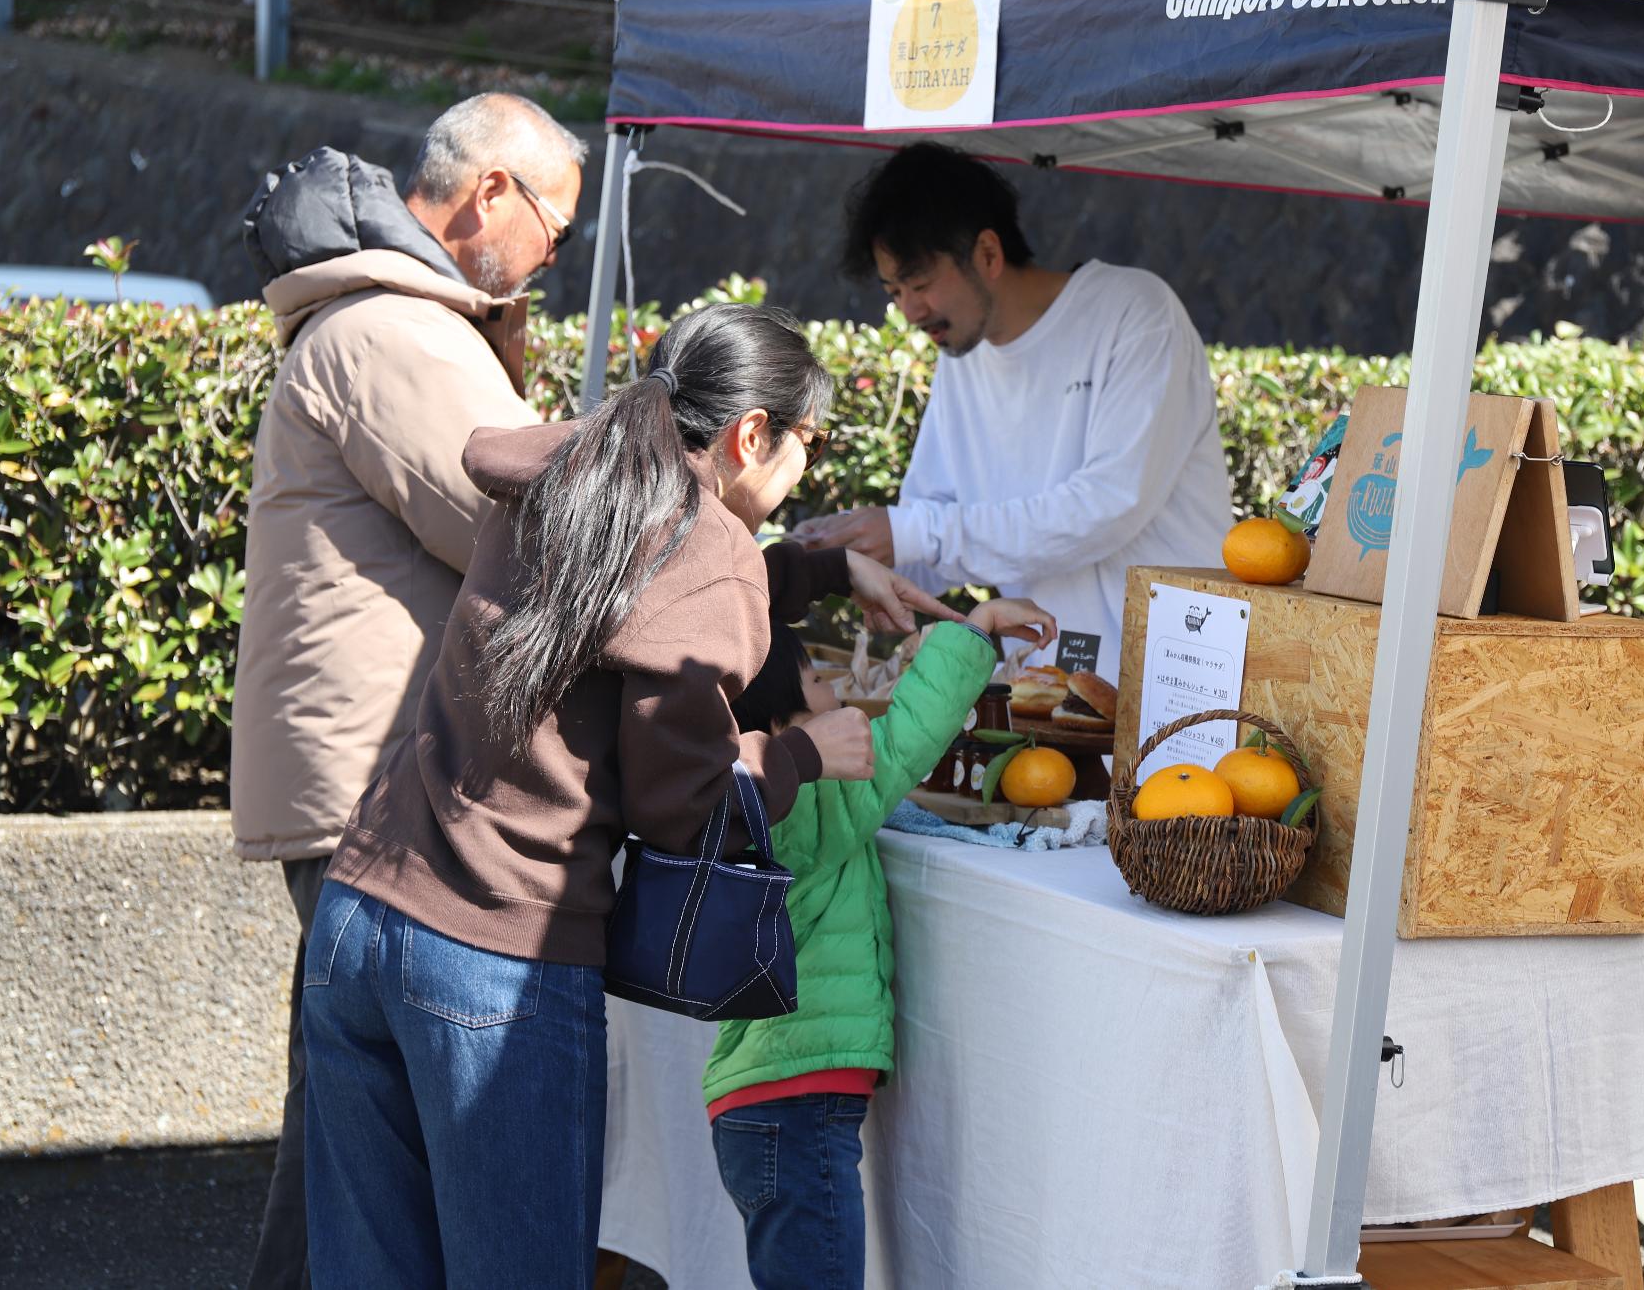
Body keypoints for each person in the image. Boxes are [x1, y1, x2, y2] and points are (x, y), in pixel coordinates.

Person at [300, 303, 958, 1288]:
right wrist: (802, 755)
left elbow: (628, 599)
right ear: (749, 434)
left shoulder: (569, 472)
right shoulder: (708, 548)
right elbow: (683, 805)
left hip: (361, 910)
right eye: (804, 447)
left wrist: (817, 567)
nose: (799, 478)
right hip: (495, 953)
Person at [231, 91, 585, 1290]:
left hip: (363, 779)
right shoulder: (395, 331)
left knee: (345, 1146)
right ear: (491, 192)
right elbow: (524, 531)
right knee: (368, 1159)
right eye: (557, 227)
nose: (554, 256)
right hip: (383, 790)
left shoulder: (394, 320)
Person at [703, 596, 1057, 1289]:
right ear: (780, 724)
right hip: (794, 1111)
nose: (837, 691)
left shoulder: (756, 803)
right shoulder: (804, 802)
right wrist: (972, 631)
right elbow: (902, 742)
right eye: (817, 684)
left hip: (770, 1108)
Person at [791, 142, 1235, 680]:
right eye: (894, 290)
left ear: (988, 254)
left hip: (1177, 673)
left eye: (922, 283)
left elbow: (1107, 507)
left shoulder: (1134, 313)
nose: (909, 310)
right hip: (1048, 683)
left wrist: (909, 535)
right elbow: (932, 523)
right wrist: (848, 555)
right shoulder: (961, 354)